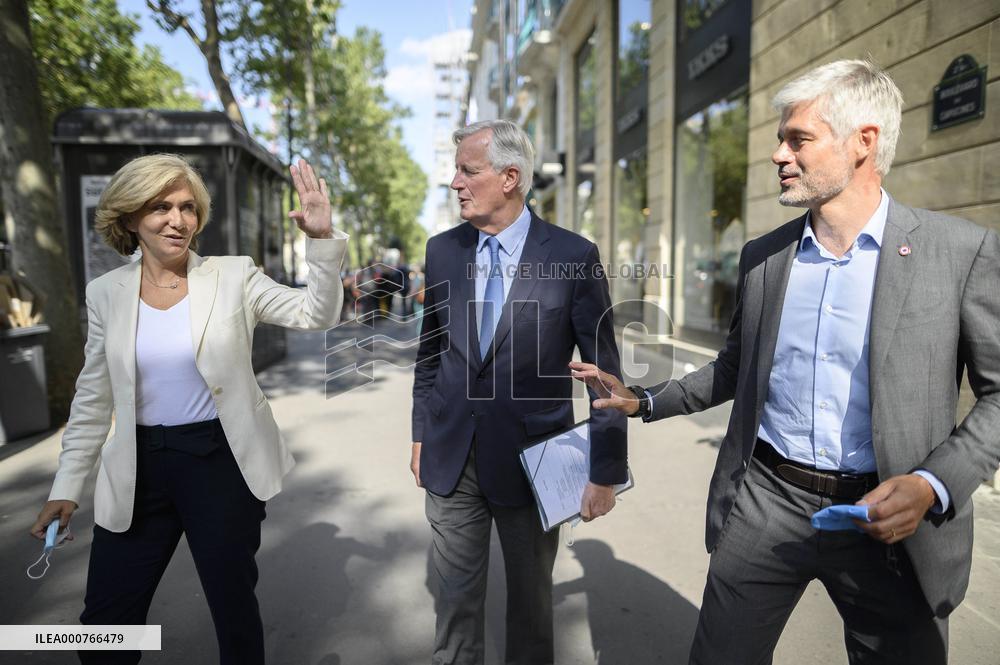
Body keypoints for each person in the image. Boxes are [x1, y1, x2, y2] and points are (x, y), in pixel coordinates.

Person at [571, 59, 1000, 664]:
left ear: (863, 143)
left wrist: (933, 485)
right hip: (767, 500)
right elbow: (733, 368)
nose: (778, 153)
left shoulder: (959, 252)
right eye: (780, 138)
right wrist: (643, 400)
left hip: (888, 521)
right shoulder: (764, 258)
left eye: (798, 138)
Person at [29, 154, 348, 664]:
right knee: (104, 625)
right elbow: (92, 399)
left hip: (219, 463)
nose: (177, 220)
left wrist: (322, 239)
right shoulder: (105, 293)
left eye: (187, 207)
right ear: (130, 216)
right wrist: (65, 488)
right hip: (138, 468)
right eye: (160, 207)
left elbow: (318, 314)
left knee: (232, 610)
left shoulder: (233, 275)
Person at [411, 119, 628, 665]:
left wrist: (605, 469)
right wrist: (419, 435)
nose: (455, 182)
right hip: (450, 454)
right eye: (456, 170)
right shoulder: (441, 252)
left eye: (468, 170)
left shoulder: (574, 257)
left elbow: (605, 374)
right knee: (455, 602)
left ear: (510, 177)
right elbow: (430, 354)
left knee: (531, 607)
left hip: (535, 462)